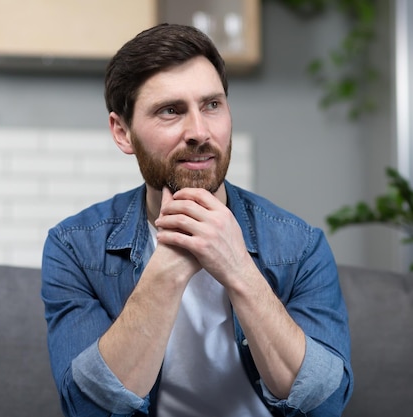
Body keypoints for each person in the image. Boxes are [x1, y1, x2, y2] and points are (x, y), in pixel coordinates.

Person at [41, 23, 353, 417]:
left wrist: (239, 269)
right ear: (122, 132)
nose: (200, 132)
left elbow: (324, 404)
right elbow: (88, 409)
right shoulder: (73, 247)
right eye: (171, 111)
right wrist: (168, 267)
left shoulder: (300, 246)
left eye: (212, 105)